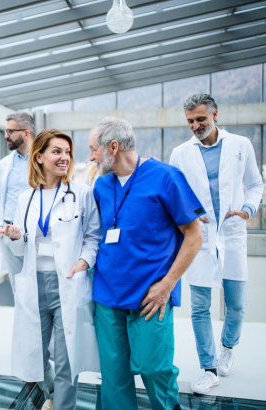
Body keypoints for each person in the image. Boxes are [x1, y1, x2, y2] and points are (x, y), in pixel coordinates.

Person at [89, 117, 204, 410]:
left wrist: (167, 284)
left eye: (94, 149)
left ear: (113, 147)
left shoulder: (166, 177)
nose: (90, 157)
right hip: (107, 297)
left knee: (155, 370)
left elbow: (194, 236)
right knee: (114, 379)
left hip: (153, 296)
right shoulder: (101, 185)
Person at [169, 94, 264, 395]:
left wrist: (247, 210)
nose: (195, 125)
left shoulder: (240, 144)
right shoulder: (180, 153)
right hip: (201, 236)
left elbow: (256, 184)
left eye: (200, 119)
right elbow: (175, 193)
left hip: (232, 232)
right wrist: (189, 216)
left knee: (237, 303)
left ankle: (228, 346)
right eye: (190, 121)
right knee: (200, 307)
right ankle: (208, 369)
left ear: (215, 115)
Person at [3, 129, 102, 410]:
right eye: (57, 151)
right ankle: (51, 395)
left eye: (67, 152)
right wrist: (14, 237)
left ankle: (63, 406)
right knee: (33, 353)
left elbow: (94, 236)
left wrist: (84, 262)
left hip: (68, 282)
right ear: (39, 157)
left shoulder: (81, 193)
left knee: (66, 356)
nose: (64, 158)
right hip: (33, 284)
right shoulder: (27, 198)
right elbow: (22, 248)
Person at [0, 112, 36, 293]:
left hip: (35, 232)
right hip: (8, 232)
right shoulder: (4, 164)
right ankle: (22, 322)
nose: (6, 136)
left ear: (26, 133)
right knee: (18, 288)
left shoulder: (43, 160)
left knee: (37, 286)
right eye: (5, 131)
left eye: (10, 131)